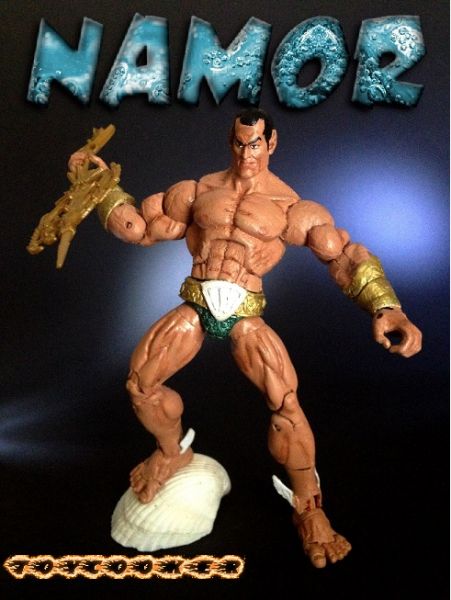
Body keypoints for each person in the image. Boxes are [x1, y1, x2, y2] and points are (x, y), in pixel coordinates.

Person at [69, 108, 422, 568]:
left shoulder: (291, 208)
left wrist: (386, 306)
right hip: (196, 304)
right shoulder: (197, 191)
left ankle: (309, 507)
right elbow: (137, 227)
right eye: (239, 143)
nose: (246, 153)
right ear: (229, 141)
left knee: (286, 406)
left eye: (255, 144)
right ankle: (171, 453)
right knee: (141, 385)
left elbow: (342, 257)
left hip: (245, 314)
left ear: (270, 143)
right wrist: (97, 187)